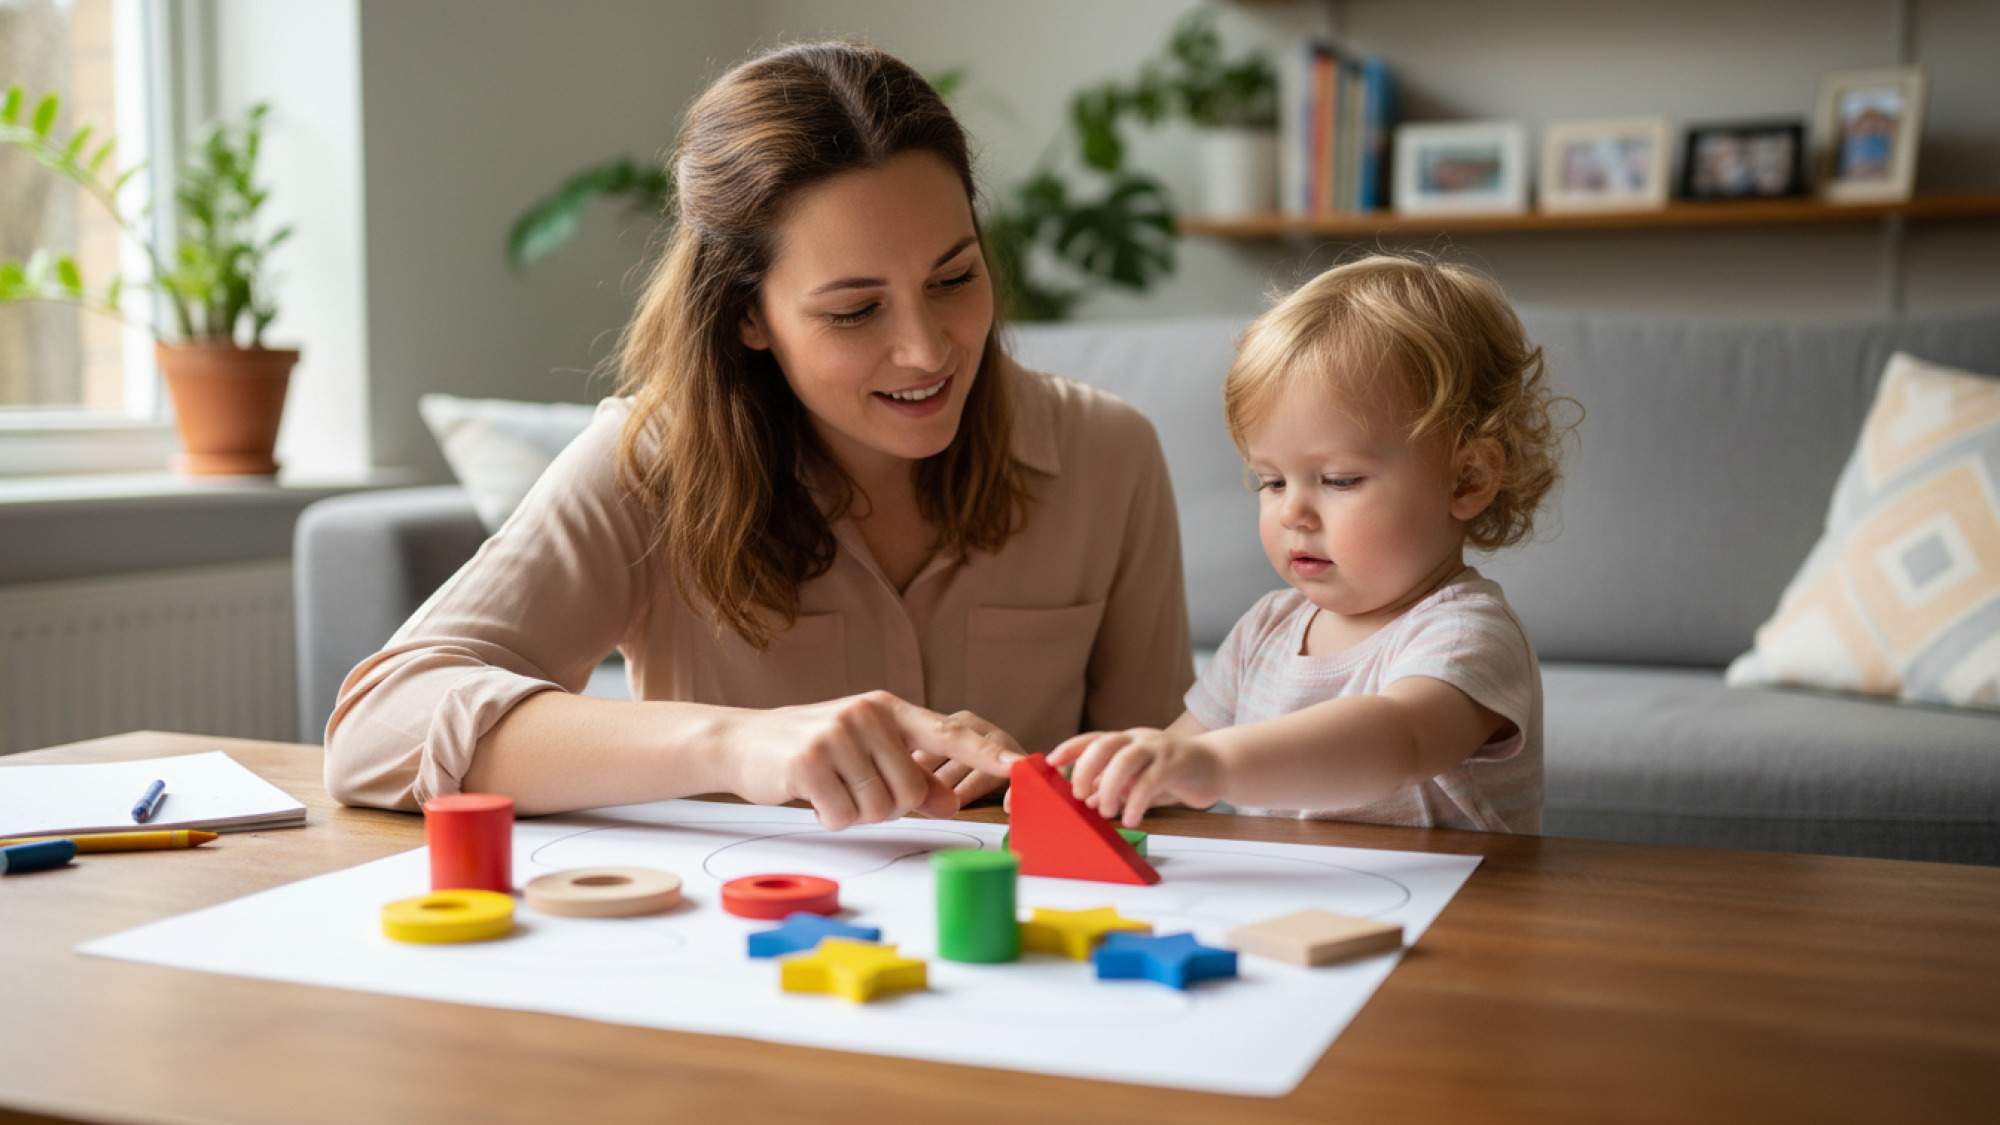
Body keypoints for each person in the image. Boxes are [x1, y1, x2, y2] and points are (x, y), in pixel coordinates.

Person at [324, 42, 1193, 826]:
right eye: (855, 310)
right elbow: (374, 730)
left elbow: (1170, 798)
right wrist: (738, 746)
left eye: (954, 276)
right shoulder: (652, 463)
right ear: (749, 315)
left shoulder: (1109, 455)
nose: (929, 349)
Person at [1050, 254, 1576, 833]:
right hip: (1299, 914)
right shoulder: (1265, 630)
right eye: (1271, 481)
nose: (1292, 511)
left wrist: (1215, 763)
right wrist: (1073, 775)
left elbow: (1395, 739)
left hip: (1456, 917)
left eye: (1338, 480)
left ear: (1468, 478)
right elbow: (1172, 769)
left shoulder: (1468, 632)